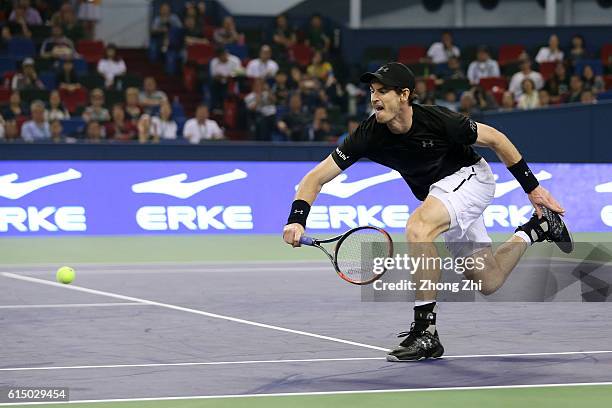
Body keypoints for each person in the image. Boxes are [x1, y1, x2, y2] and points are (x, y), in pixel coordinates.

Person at [282, 62, 572, 361]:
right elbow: (314, 178)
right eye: (372, 91)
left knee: (419, 227)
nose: (374, 98)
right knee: (488, 280)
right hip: (442, 196)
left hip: (470, 178)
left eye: (383, 91)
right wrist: (296, 220)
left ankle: (425, 332)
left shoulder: (439, 120)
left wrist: (533, 189)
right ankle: (538, 229)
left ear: (404, 95)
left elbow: (497, 139)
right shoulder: (368, 134)